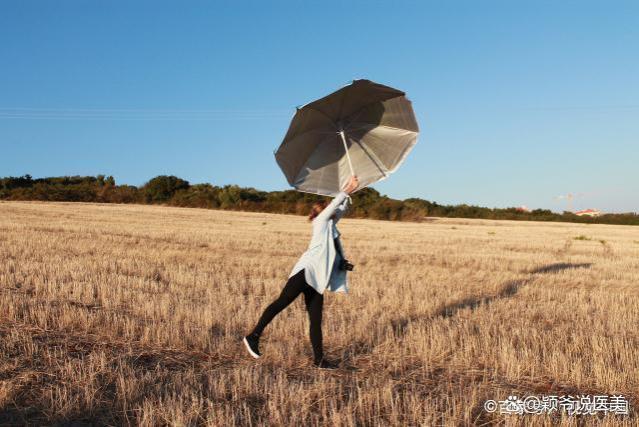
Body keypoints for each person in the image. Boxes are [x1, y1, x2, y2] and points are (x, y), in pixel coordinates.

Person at [243, 175, 359, 369]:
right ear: (321, 212)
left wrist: (350, 191)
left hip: (317, 279)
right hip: (305, 273)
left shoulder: (331, 227)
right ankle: (253, 336)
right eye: (329, 207)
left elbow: (340, 210)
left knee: (315, 320)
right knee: (281, 303)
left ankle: (319, 359)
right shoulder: (320, 223)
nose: (333, 209)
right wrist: (345, 191)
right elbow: (334, 208)